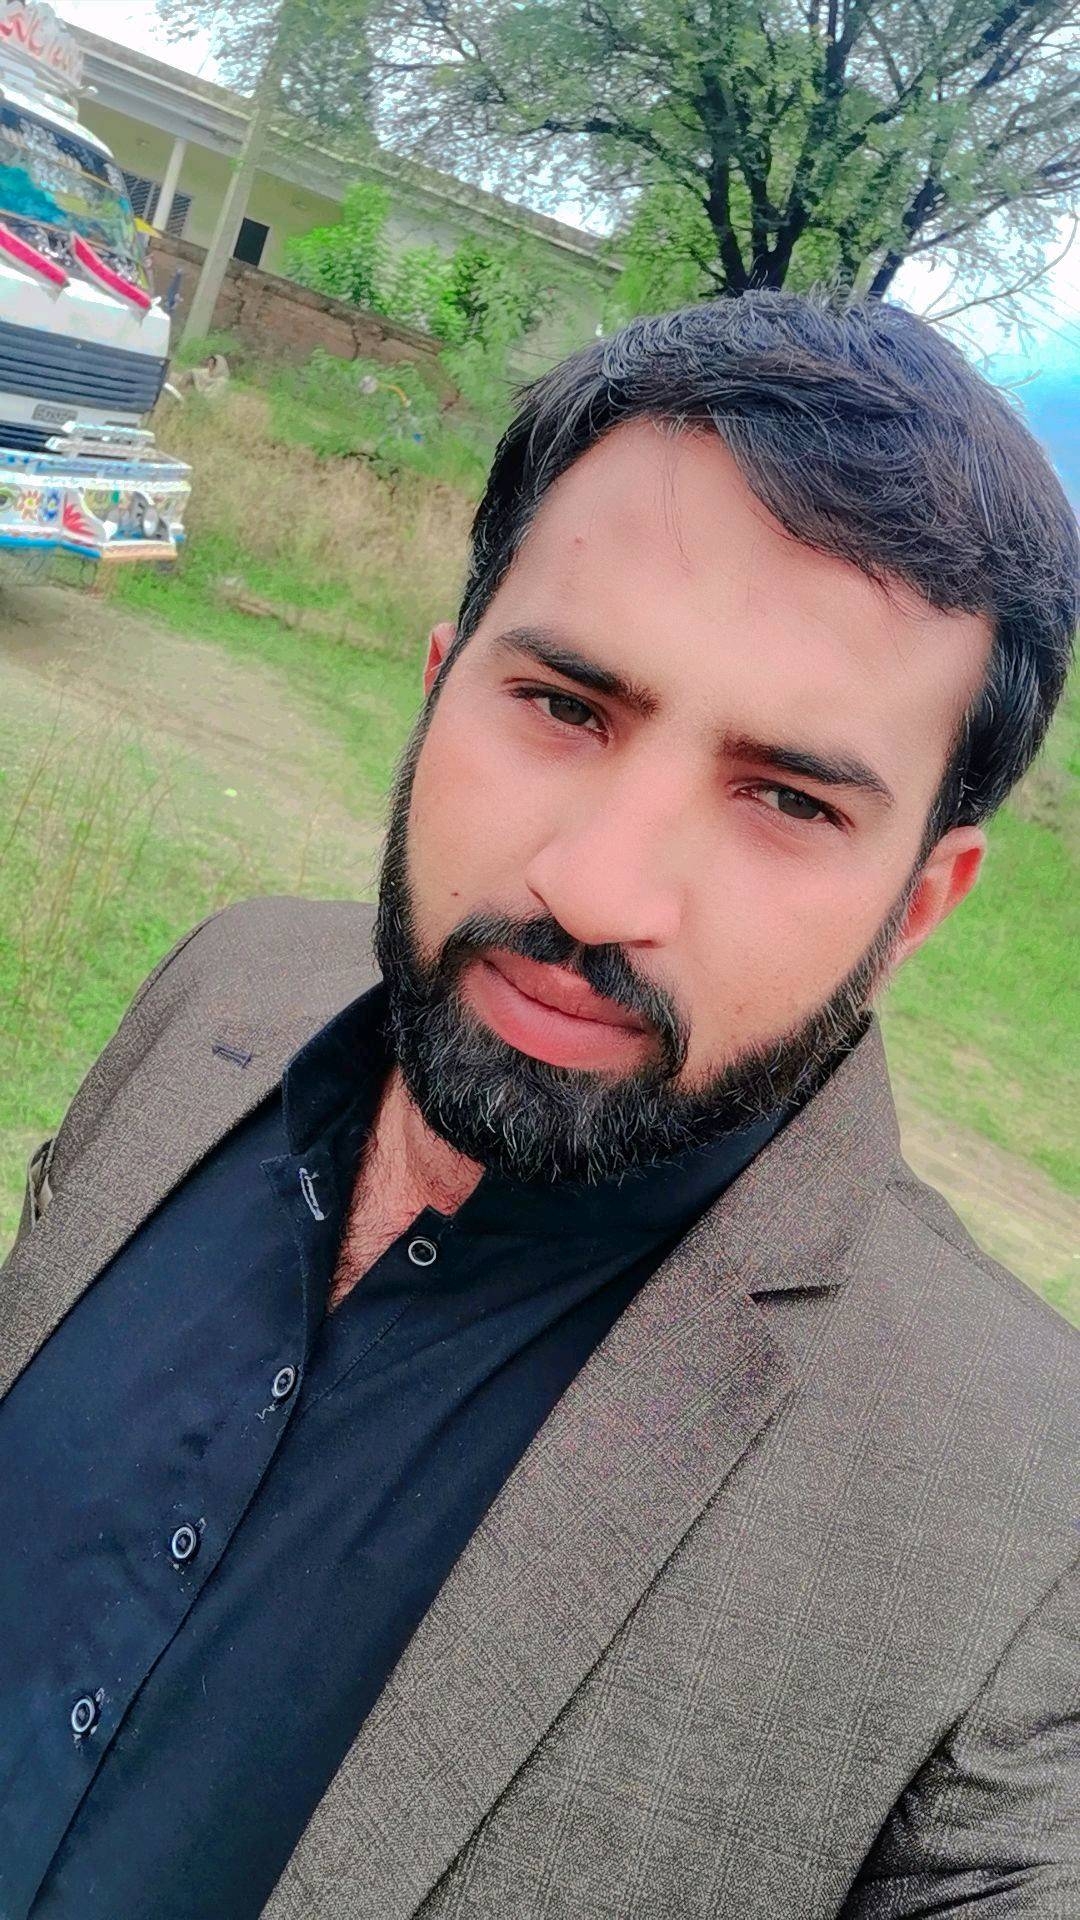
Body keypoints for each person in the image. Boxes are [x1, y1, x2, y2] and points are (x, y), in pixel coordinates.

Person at [1, 291, 1077, 1920]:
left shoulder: (1023, 1519)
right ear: (441, 686)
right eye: (567, 708)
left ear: (915, 909)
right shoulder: (227, 989)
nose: (595, 888)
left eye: (788, 799)